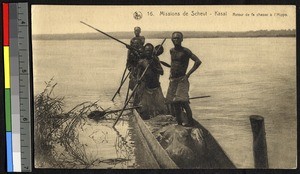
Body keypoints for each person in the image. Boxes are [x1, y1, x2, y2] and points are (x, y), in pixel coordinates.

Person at [166, 32, 202, 127]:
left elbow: (198, 61)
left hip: (182, 79)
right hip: (173, 79)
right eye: (174, 38)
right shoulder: (171, 51)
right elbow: (173, 64)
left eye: (178, 38)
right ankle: (179, 123)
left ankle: (190, 122)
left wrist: (188, 74)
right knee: (174, 103)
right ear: (171, 40)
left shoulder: (186, 51)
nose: (176, 40)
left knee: (183, 101)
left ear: (182, 39)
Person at [137, 43, 167, 119]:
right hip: (146, 88)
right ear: (144, 51)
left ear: (152, 51)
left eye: (150, 51)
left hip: (156, 87)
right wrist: (138, 80)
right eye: (146, 50)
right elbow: (138, 74)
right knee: (145, 111)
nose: (148, 52)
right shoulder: (141, 62)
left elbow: (161, 72)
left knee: (162, 110)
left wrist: (153, 67)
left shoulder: (155, 60)